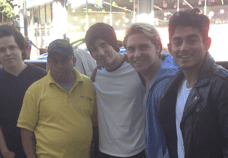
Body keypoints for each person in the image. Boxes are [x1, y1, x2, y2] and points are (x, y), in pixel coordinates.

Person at [158, 8, 228, 158]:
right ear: (170, 48)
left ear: (207, 43)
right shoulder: (172, 85)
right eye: (178, 42)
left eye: (192, 40)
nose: (184, 48)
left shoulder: (226, 85)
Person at [17, 39, 97, 158]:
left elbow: (95, 122)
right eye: (55, 61)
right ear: (48, 63)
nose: (59, 66)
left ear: (73, 61)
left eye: (64, 60)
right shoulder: (35, 90)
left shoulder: (88, 85)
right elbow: (26, 131)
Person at [0, 25, 47, 158]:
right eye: (2, 50)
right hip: (11, 150)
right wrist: (5, 151)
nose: (8, 53)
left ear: (21, 48)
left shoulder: (42, 76)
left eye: (12, 47)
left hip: (42, 147)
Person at [86, 23, 146, 158]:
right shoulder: (96, 76)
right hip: (105, 151)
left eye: (104, 44)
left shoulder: (137, 68)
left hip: (138, 150)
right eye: (94, 49)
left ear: (113, 43)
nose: (100, 52)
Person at [123, 23, 179, 158]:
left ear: (158, 47)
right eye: (131, 49)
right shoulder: (145, 76)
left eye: (143, 47)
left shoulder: (168, 85)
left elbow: (177, 138)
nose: (137, 54)